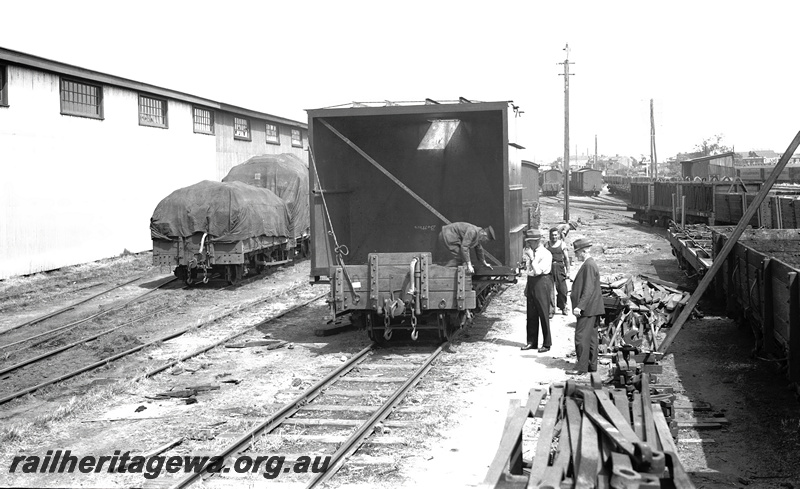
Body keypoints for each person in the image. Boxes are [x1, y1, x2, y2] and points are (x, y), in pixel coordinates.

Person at [568, 238, 605, 375]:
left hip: (588, 309)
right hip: (593, 308)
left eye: (577, 253)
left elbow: (588, 288)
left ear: (583, 251)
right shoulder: (589, 264)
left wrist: (580, 306)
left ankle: (581, 367)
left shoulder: (588, 265)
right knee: (591, 338)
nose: (576, 255)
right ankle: (591, 365)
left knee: (581, 337)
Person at [520, 229, 553, 353]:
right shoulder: (531, 252)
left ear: (537, 241)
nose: (528, 245)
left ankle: (547, 343)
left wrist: (532, 257)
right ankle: (531, 341)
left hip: (542, 282)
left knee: (543, 313)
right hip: (532, 282)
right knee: (531, 314)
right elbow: (530, 271)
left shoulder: (545, 253)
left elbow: (538, 271)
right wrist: (527, 286)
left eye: (530, 242)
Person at [545, 226, 571, 316]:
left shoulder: (562, 244)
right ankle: (551, 310)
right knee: (550, 290)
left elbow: (567, 259)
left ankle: (563, 307)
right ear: (549, 236)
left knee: (563, 289)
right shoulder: (547, 245)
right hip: (549, 268)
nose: (554, 237)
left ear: (558, 235)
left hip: (560, 267)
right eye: (552, 235)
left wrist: (568, 271)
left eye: (556, 235)